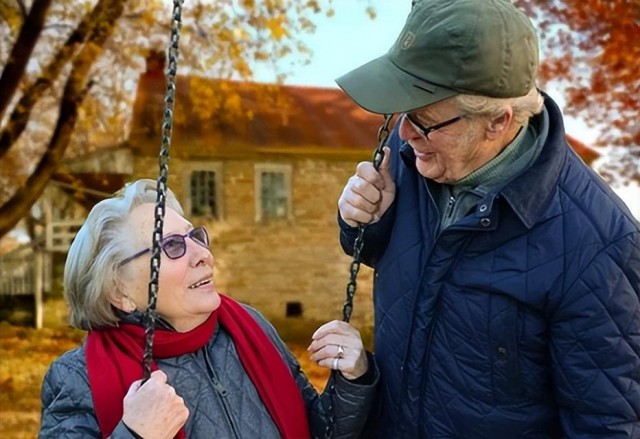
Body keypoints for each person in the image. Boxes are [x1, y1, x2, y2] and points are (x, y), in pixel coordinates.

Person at [335, 0, 640, 437]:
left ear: (498, 120)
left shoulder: (599, 246)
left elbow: (607, 424)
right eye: (402, 114)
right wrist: (363, 221)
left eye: (423, 121)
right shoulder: (412, 159)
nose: (404, 133)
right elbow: (390, 258)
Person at [39, 179, 378, 439]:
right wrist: (135, 434)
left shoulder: (250, 328)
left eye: (195, 237)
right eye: (171, 246)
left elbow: (319, 430)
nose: (202, 254)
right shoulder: (76, 377)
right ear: (120, 291)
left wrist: (353, 379)